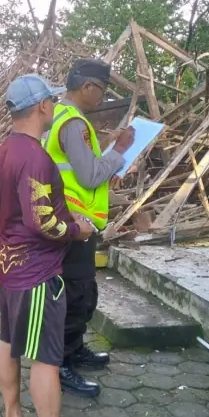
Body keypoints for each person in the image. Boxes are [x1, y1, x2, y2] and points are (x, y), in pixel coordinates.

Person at [0, 74, 99, 417]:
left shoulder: (8, 149)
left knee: (9, 340)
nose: (55, 107)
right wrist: (77, 230)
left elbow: (20, 208)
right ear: (41, 107)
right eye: (52, 101)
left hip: (7, 263)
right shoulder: (36, 157)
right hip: (36, 270)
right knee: (47, 359)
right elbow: (40, 221)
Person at [43, 58, 136, 398]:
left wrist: (111, 157)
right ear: (87, 87)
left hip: (73, 221)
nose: (103, 97)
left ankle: (74, 349)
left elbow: (88, 170)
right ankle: (61, 364)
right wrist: (121, 151)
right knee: (74, 295)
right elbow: (90, 176)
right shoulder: (72, 123)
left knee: (80, 292)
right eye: (102, 90)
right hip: (73, 224)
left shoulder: (62, 117)